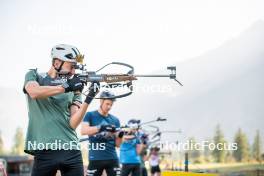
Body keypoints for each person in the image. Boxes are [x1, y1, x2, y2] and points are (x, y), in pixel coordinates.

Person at [23, 44, 99, 176]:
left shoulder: (74, 87)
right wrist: (65, 87)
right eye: (71, 66)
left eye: (75, 67)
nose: (73, 72)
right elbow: (33, 92)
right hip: (44, 150)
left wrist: (89, 98)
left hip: (71, 150)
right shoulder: (34, 75)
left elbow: (73, 123)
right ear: (57, 62)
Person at [81, 91, 123, 176]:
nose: (109, 107)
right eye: (107, 104)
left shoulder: (115, 120)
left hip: (112, 158)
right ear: (101, 101)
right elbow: (83, 131)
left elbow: (118, 145)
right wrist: (101, 127)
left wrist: (120, 135)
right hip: (95, 157)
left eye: (111, 104)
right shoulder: (90, 115)